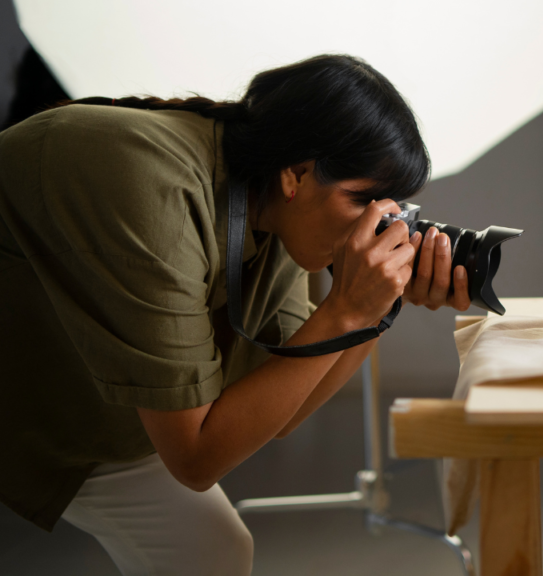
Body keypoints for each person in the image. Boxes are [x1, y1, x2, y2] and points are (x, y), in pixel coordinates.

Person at [0, 54, 469, 575]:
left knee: (209, 551)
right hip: (30, 388)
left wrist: (375, 308)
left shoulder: (273, 210)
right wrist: (346, 308)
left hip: (79, 395)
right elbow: (197, 459)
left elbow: (285, 406)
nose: (377, 228)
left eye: (389, 210)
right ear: (297, 175)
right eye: (363, 201)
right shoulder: (154, 188)